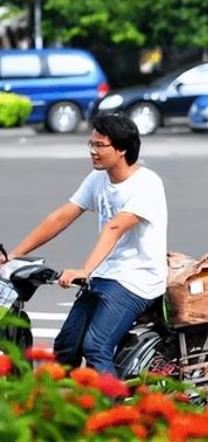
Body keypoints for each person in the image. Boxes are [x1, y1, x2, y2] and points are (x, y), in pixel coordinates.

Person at [0, 115, 167, 375]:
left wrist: (84, 270)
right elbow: (62, 216)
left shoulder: (146, 184)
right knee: (66, 348)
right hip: (106, 274)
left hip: (137, 280)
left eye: (100, 145)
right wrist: (13, 255)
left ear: (121, 149)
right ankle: (66, 411)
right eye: (91, 144)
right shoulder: (98, 178)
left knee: (96, 346)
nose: (93, 151)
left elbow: (115, 227)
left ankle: (113, 412)